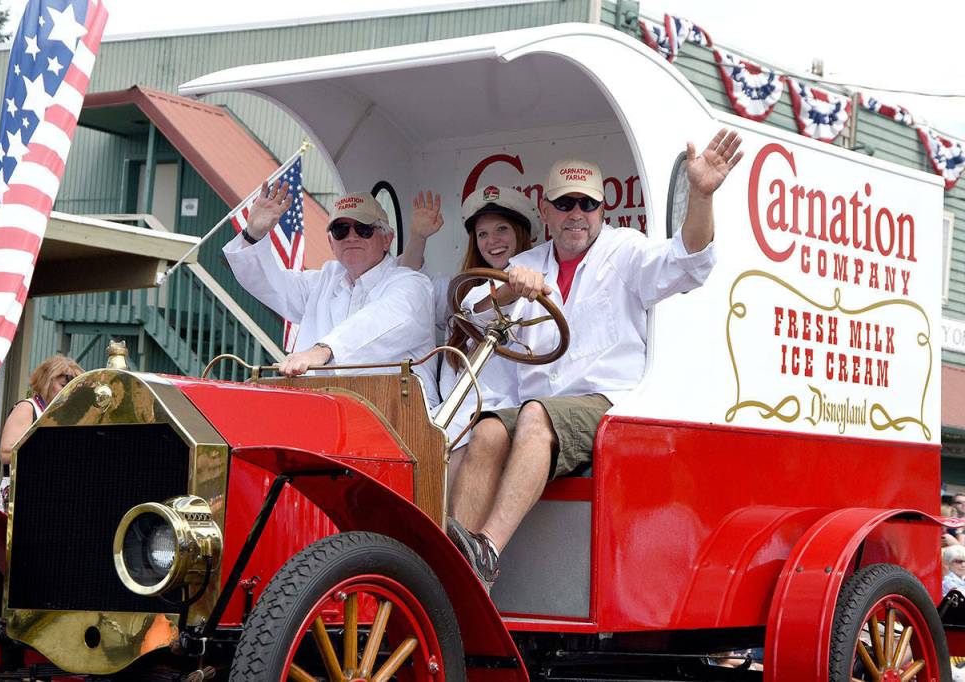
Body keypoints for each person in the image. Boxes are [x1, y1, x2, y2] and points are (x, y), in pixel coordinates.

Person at [446, 128, 745, 588]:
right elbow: (470, 311)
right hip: (542, 409)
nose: (576, 215)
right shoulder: (528, 263)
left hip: (607, 406)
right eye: (565, 204)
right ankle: (452, 570)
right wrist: (509, 288)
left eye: (588, 204)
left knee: (534, 417)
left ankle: (485, 551)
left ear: (603, 210)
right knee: (485, 430)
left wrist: (701, 196)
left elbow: (689, 260)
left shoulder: (624, 251)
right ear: (546, 211)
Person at [223, 183, 439, 404]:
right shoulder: (323, 281)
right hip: (320, 409)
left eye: (364, 229)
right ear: (331, 242)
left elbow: (381, 322)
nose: (351, 237)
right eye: (341, 231)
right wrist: (254, 234)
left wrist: (322, 351)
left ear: (387, 239)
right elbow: (266, 283)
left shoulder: (411, 283)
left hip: (401, 416)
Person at [400, 186, 540, 469]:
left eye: (502, 229)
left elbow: (489, 307)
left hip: (496, 422)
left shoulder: (537, 294)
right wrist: (418, 237)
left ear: (522, 234)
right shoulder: (463, 290)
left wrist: (514, 289)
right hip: (450, 421)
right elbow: (408, 284)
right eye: (482, 234)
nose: (492, 241)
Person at [0, 354, 84, 465]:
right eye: (63, 386)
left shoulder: (64, 415)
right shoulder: (27, 408)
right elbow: (5, 454)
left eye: (72, 389)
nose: (67, 393)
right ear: (47, 381)